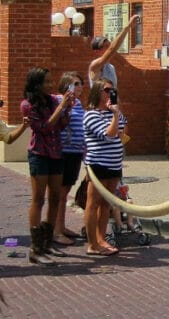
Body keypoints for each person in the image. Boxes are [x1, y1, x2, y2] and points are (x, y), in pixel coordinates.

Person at [21, 68, 74, 265]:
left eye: (51, 82)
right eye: (47, 82)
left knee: (55, 197)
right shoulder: (28, 105)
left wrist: (67, 108)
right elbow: (44, 128)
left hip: (56, 153)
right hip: (39, 154)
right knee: (38, 199)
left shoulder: (52, 101)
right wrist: (60, 108)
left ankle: (47, 242)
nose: (51, 86)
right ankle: (35, 249)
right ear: (36, 84)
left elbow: (60, 126)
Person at [82, 78, 127, 257]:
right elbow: (109, 135)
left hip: (114, 163)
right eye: (106, 90)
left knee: (106, 203)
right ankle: (92, 243)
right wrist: (115, 117)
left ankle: (101, 239)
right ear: (97, 92)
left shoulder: (112, 112)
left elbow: (122, 129)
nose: (110, 94)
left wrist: (116, 114)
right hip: (98, 164)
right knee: (93, 203)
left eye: (112, 90)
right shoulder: (91, 115)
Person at [54, 72, 86, 247]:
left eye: (80, 83)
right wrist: (66, 104)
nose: (79, 87)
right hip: (63, 151)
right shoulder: (59, 100)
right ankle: (56, 231)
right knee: (60, 192)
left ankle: (62, 226)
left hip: (75, 151)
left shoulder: (79, 104)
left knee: (66, 191)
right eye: (75, 84)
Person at [88, 13, 141, 88]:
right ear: (96, 52)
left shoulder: (111, 67)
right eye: (105, 46)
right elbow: (111, 50)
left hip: (111, 100)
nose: (109, 48)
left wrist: (116, 99)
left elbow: (114, 90)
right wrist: (127, 27)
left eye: (109, 45)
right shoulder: (94, 66)